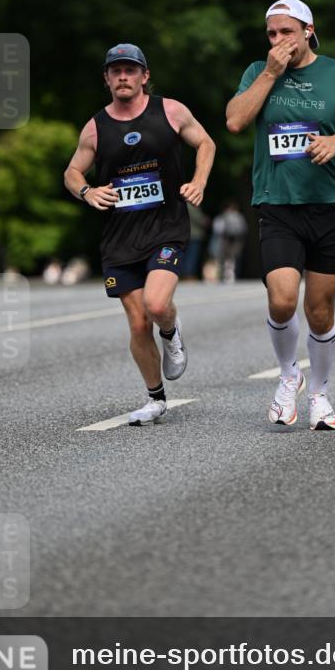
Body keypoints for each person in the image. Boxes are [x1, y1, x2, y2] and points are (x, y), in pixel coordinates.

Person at [226, 0, 335, 430]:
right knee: (280, 299)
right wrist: (271, 72)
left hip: (328, 203)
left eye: (286, 32)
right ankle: (288, 375)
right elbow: (236, 121)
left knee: (319, 310)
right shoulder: (258, 72)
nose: (278, 41)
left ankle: (320, 393)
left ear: (308, 30)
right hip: (277, 202)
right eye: (272, 34)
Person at [64, 44, 215, 425]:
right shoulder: (95, 127)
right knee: (135, 323)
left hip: (166, 227)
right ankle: (155, 398)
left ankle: (171, 330)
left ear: (144, 76)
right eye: (115, 72)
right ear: (107, 79)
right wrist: (87, 191)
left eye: (130, 70)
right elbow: (71, 173)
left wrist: (198, 182)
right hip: (119, 237)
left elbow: (206, 144)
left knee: (158, 304)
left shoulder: (170, 111)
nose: (123, 77)